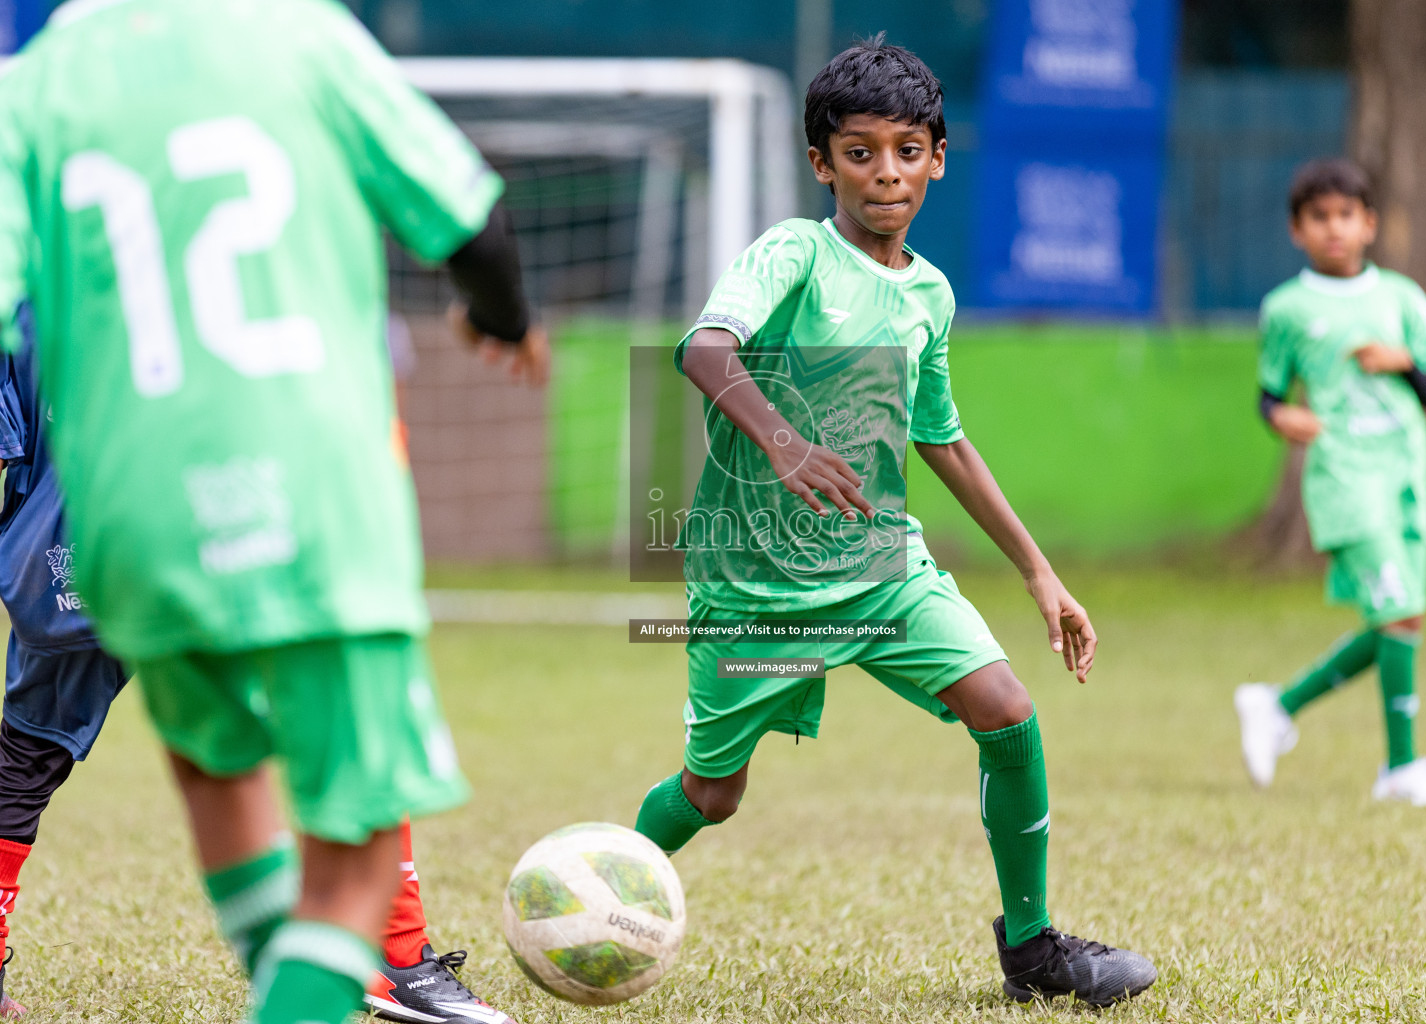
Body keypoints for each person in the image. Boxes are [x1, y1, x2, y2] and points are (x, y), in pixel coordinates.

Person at [0, 1, 543, 1022]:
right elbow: (472, 218)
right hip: (314, 488)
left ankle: (299, 977)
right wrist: (503, 320)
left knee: (217, 773)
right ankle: (364, 972)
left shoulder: (35, 85)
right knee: (361, 830)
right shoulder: (304, 36)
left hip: (122, 514)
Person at [630, 37, 1156, 1007]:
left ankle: (1032, 948)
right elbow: (704, 349)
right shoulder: (795, 251)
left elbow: (943, 440)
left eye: (908, 150)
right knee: (714, 794)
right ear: (821, 160)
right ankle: (605, 887)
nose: (887, 174)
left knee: (1007, 710)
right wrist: (785, 443)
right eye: (861, 152)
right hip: (754, 583)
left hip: (880, 569)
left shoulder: (930, 293)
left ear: (940, 157)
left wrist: (1041, 573)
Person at [0, 313, 518, 1024]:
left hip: (73, 552)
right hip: (222, 521)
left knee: (33, 749)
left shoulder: (33, 250)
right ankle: (390, 955)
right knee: (344, 710)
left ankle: (378, 955)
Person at [1235, 158, 1426, 809]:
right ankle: (1401, 766)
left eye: (1346, 215)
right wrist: (1284, 417)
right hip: (1343, 476)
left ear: (1368, 223)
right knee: (1398, 611)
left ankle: (1277, 706)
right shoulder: (1286, 309)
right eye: (1320, 217)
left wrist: (1401, 361)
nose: (1333, 229)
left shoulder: (1403, 299)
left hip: (1403, 475)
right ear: (1297, 229)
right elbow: (1268, 396)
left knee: (1401, 618)